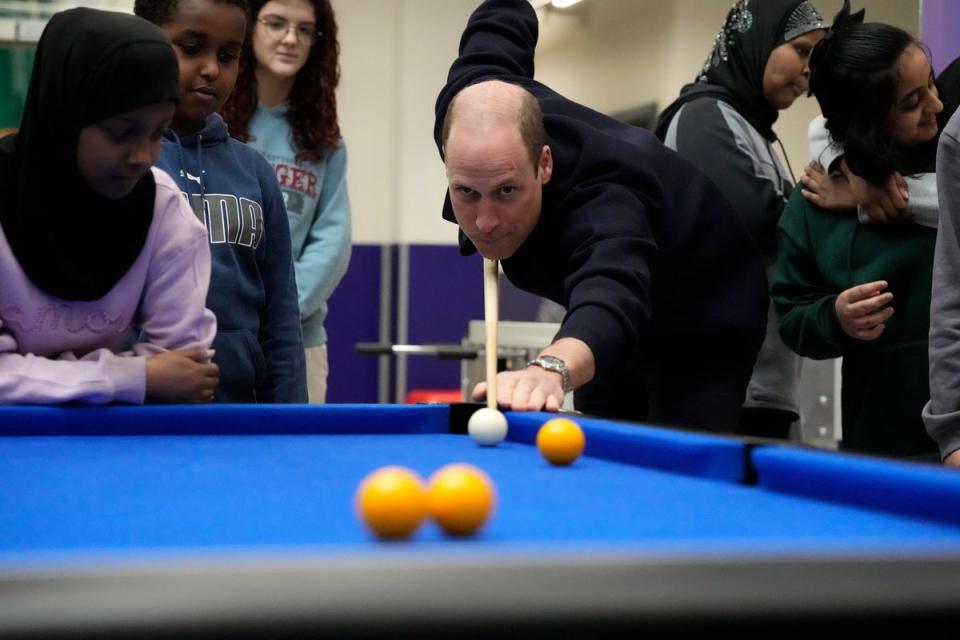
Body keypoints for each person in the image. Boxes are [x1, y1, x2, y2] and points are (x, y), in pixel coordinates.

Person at [435, 0, 768, 432]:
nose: (484, 221)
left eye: (506, 190)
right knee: (604, 441)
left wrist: (550, 368)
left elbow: (609, 293)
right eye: (466, 192)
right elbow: (500, 27)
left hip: (704, 319)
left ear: (544, 165)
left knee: (672, 465)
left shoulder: (605, 199)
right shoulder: (466, 106)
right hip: (614, 333)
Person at [0, 8, 218, 404]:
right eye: (121, 133)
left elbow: (184, 368)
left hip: (110, 446)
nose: (142, 156)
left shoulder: (163, 210)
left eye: (157, 133)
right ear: (64, 118)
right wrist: (130, 376)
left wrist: (41, 375)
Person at [771, 4, 942, 458]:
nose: (937, 106)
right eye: (911, 103)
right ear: (865, 123)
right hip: (885, 444)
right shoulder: (814, 201)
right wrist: (835, 318)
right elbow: (793, 314)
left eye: (932, 85)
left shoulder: (953, 153)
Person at [655, 0, 827, 439]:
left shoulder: (747, 127)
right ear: (758, 44)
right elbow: (751, 217)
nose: (811, 69)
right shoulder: (703, 117)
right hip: (721, 387)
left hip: (752, 386)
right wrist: (842, 199)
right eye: (802, 50)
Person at [134, 0, 307, 403]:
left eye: (228, 55)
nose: (212, 68)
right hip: (135, 418)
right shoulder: (123, 165)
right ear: (143, 45)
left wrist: (291, 420)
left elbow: (281, 319)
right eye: (191, 48)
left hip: (239, 416)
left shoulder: (254, 171)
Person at [220, 0, 351, 404]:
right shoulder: (215, 121)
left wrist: (281, 315)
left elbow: (332, 239)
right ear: (249, 29)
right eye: (276, 24)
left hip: (300, 340)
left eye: (305, 29)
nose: (290, 38)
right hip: (220, 336)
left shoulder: (325, 138)